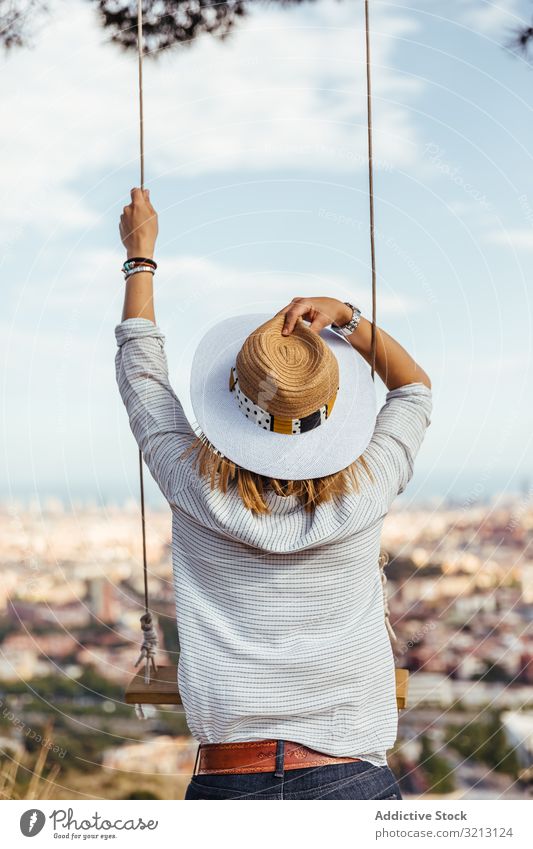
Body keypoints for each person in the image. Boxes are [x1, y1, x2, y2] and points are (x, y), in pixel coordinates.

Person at [115, 188, 432, 801]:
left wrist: (140, 258)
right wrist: (345, 316)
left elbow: (140, 369)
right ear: (331, 414)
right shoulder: (367, 485)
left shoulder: (192, 483)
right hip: (353, 783)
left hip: (229, 782)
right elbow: (413, 389)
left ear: (233, 404)